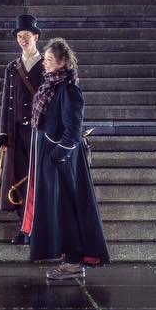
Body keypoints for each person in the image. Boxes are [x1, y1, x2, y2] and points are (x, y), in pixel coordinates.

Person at [21, 36, 110, 280]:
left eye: (50, 60)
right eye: (45, 59)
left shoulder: (69, 89)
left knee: (70, 208)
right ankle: (69, 258)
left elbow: (73, 130)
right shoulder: (51, 85)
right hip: (51, 157)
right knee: (58, 209)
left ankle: (73, 261)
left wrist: (57, 157)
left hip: (63, 160)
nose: (45, 64)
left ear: (62, 62)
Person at [0, 11, 45, 213]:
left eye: (26, 35)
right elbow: (5, 102)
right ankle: (23, 227)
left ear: (35, 37)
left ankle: (38, 225)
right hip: (17, 132)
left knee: (39, 177)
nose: (22, 40)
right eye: (19, 36)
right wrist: (3, 134)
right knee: (18, 177)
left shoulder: (47, 65)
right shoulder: (12, 67)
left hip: (39, 131)